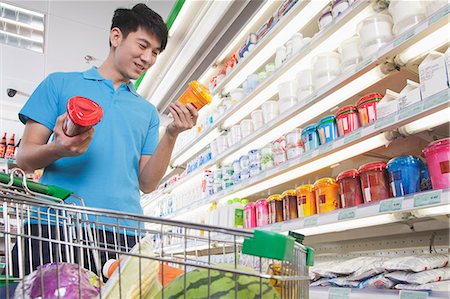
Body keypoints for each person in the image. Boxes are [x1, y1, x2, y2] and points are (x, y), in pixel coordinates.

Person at [10, 3, 198, 277]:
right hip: (54, 226)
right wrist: (58, 148)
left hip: (120, 233)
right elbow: (24, 158)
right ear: (116, 37)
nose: (147, 58)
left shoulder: (147, 112)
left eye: (155, 52)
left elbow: (147, 183)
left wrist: (171, 134)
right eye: (142, 45)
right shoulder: (59, 84)